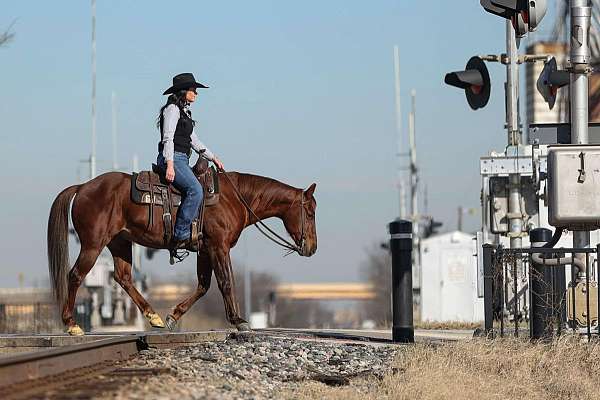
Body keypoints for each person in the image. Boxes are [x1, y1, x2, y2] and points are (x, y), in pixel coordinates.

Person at [156, 73, 224, 251]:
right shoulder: (171, 110)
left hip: (182, 159)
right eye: (193, 90)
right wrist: (170, 164)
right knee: (195, 190)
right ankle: (181, 233)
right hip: (173, 158)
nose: (196, 93)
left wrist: (213, 157)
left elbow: (194, 141)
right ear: (183, 91)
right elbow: (168, 138)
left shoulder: (184, 112)